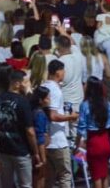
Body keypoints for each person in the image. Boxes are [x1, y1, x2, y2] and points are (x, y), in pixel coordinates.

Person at [0, 68, 38, 188]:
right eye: (26, 82)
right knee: (25, 184)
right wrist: (35, 151)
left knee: (6, 184)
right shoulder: (23, 102)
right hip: (21, 150)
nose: (28, 85)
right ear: (17, 84)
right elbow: (30, 131)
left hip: (4, 148)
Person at [73, 78, 110, 188]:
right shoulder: (108, 104)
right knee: (104, 174)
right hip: (106, 141)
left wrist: (76, 144)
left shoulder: (85, 105)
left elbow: (81, 128)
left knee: (96, 176)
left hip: (94, 143)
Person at [44, 60, 78, 188]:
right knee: (65, 174)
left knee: (50, 176)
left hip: (46, 140)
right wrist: (71, 117)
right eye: (63, 70)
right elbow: (53, 115)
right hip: (57, 140)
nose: (64, 73)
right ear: (58, 72)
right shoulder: (55, 90)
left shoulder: (45, 86)